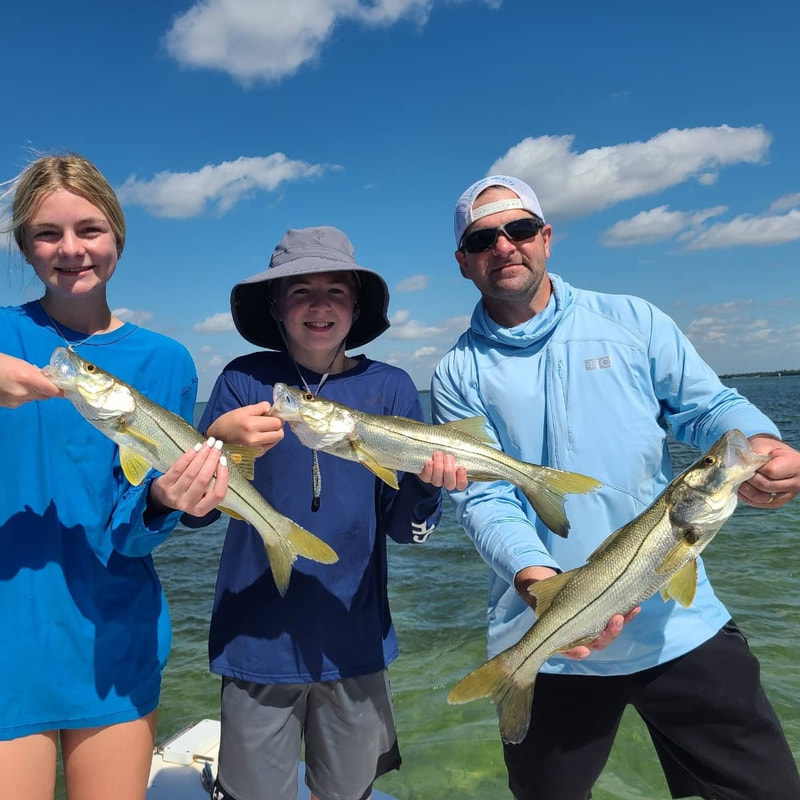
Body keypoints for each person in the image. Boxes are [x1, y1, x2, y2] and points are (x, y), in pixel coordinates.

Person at [430, 174, 800, 800]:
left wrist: (762, 443)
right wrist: (538, 582)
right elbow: (485, 496)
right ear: (464, 262)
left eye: (519, 229)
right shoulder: (455, 372)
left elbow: (711, 408)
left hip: (681, 627)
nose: (504, 246)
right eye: (483, 238)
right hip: (547, 636)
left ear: (546, 238)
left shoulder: (633, 320)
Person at [184, 226, 464, 800]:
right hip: (255, 641)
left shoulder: (391, 388)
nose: (319, 305)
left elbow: (405, 532)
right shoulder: (243, 379)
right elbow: (197, 516)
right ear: (275, 306)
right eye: (300, 290)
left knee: (347, 792)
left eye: (336, 290)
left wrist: (428, 488)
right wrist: (214, 442)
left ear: (356, 307)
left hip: (355, 642)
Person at [0, 153, 228, 800]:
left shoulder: (168, 361)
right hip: (9, 643)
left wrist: (162, 502)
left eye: (90, 229)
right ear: (25, 246)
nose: (71, 249)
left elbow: (131, 531)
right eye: (48, 234)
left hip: (115, 637)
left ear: (118, 239)